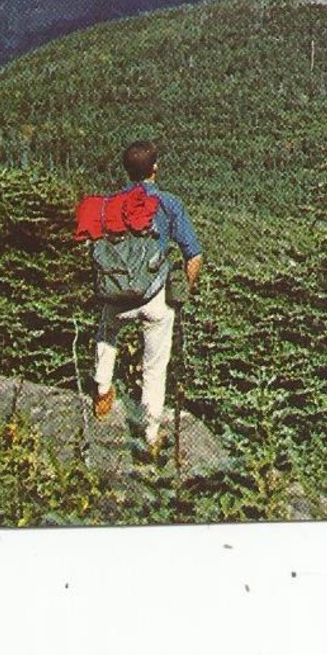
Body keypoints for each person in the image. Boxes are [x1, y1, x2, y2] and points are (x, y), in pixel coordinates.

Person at [92, 139, 204, 455]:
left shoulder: (111, 202)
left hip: (117, 297)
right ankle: (151, 432)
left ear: (127, 171)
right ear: (155, 168)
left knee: (107, 332)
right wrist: (183, 291)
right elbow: (193, 256)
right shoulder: (169, 204)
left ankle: (102, 389)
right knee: (155, 365)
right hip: (156, 298)